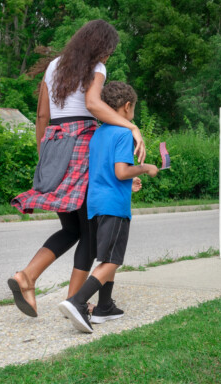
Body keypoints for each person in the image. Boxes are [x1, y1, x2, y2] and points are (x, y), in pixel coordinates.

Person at [7, 20, 146, 318]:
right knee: (89, 233)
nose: (108, 56)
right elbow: (93, 104)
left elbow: (42, 114)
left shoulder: (55, 65)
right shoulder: (96, 66)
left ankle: (28, 277)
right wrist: (132, 125)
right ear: (100, 47)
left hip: (53, 143)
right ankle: (75, 302)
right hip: (81, 144)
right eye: (108, 50)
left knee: (70, 228)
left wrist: (44, 154)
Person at [59, 81, 158, 333]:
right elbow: (121, 170)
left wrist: (129, 180)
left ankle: (105, 307)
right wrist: (145, 168)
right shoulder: (124, 133)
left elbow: (110, 172)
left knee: (105, 256)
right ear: (126, 107)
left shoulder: (100, 132)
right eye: (133, 108)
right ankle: (78, 302)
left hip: (95, 204)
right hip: (114, 206)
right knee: (112, 261)